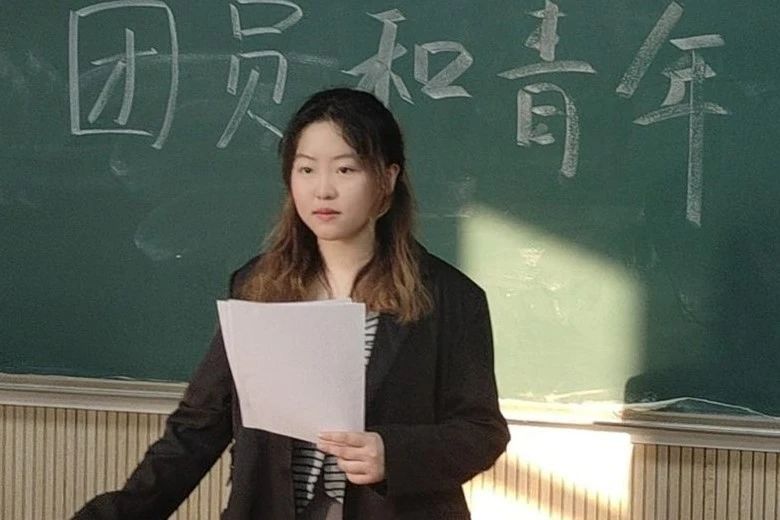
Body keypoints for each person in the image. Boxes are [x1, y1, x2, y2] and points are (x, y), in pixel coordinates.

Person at [73, 88, 509, 519]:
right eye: (306, 169)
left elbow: (482, 431)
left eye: (345, 169)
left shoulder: (448, 297)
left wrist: (393, 453)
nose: (323, 190)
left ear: (387, 179)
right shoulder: (258, 286)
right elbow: (197, 427)